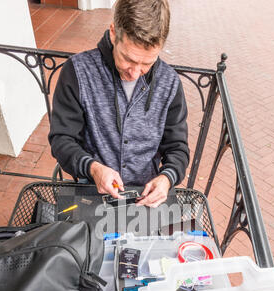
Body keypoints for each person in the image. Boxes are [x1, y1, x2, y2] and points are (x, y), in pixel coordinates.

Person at [49, 0, 189, 208]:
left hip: (147, 197)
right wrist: (93, 168)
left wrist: (167, 178)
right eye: (128, 59)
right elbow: (62, 139)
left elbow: (177, 148)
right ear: (113, 33)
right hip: (91, 191)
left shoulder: (169, 82)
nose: (134, 73)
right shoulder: (78, 71)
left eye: (147, 63)